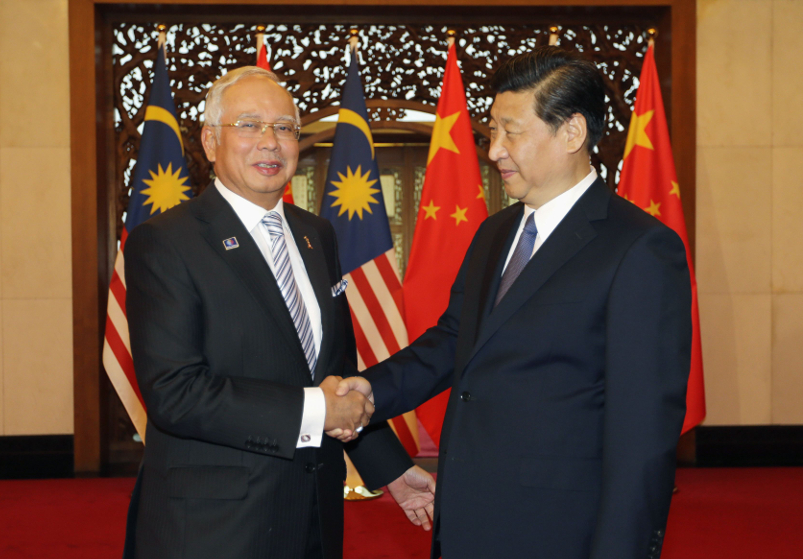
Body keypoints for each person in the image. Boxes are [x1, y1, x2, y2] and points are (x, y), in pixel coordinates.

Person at [335, 46, 692, 559]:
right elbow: (454, 343)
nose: (494, 150)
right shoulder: (494, 232)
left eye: (511, 131)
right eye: (492, 131)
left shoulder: (638, 248)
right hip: (464, 520)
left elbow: (641, 439)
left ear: (571, 133)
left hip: (559, 532)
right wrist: (369, 390)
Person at [122, 66, 434, 559]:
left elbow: (333, 372)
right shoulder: (165, 243)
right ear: (209, 141)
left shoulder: (317, 234)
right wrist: (316, 409)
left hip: (312, 512)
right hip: (214, 526)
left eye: (285, 127)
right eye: (248, 125)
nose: (270, 142)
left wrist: (388, 466)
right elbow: (175, 393)